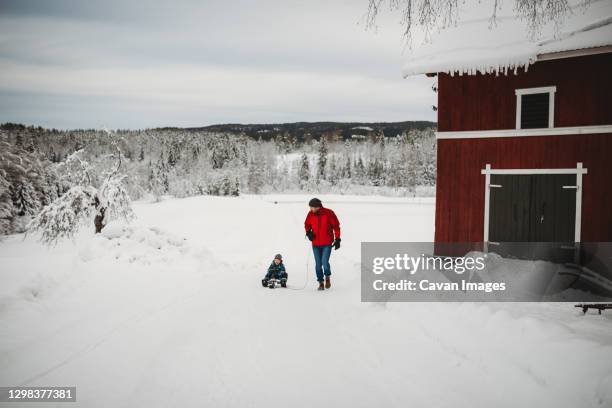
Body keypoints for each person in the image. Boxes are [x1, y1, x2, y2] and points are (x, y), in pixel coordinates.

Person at [304, 198, 341, 291]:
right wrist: (308, 232)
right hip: (315, 244)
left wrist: (337, 239)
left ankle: (327, 276)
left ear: (318, 207)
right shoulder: (310, 214)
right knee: (318, 264)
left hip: (327, 243)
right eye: (310, 207)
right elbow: (307, 224)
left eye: (312, 207)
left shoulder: (329, 213)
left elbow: (336, 226)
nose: (311, 209)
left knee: (324, 261)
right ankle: (320, 282)